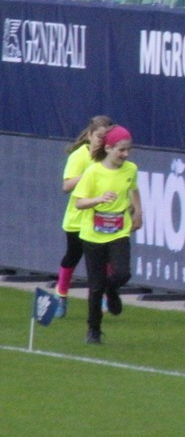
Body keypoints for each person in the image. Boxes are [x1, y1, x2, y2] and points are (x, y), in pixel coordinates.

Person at [72, 125, 142, 344]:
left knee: (122, 273)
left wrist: (138, 212)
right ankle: (93, 330)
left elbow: (134, 189)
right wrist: (98, 199)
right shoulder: (93, 172)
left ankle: (112, 291)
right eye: (121, 150)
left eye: (128, 150)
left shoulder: (130, 169)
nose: (125, 154)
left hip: (119, 231)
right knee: (95, 285)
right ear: (109, 148)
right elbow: (79, 202)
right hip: (93, 234)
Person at [56, 115, 113, 318]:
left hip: (98, 219)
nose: (102, 141)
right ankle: (61, 296)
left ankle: (101, 297)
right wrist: (87, 175)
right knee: (72, 257)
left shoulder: (109, 157)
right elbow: (66, 186)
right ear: (90, 135)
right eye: (99, 136)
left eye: (106, 137)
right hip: (77, 219)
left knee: (102, 260)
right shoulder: (79, 157)